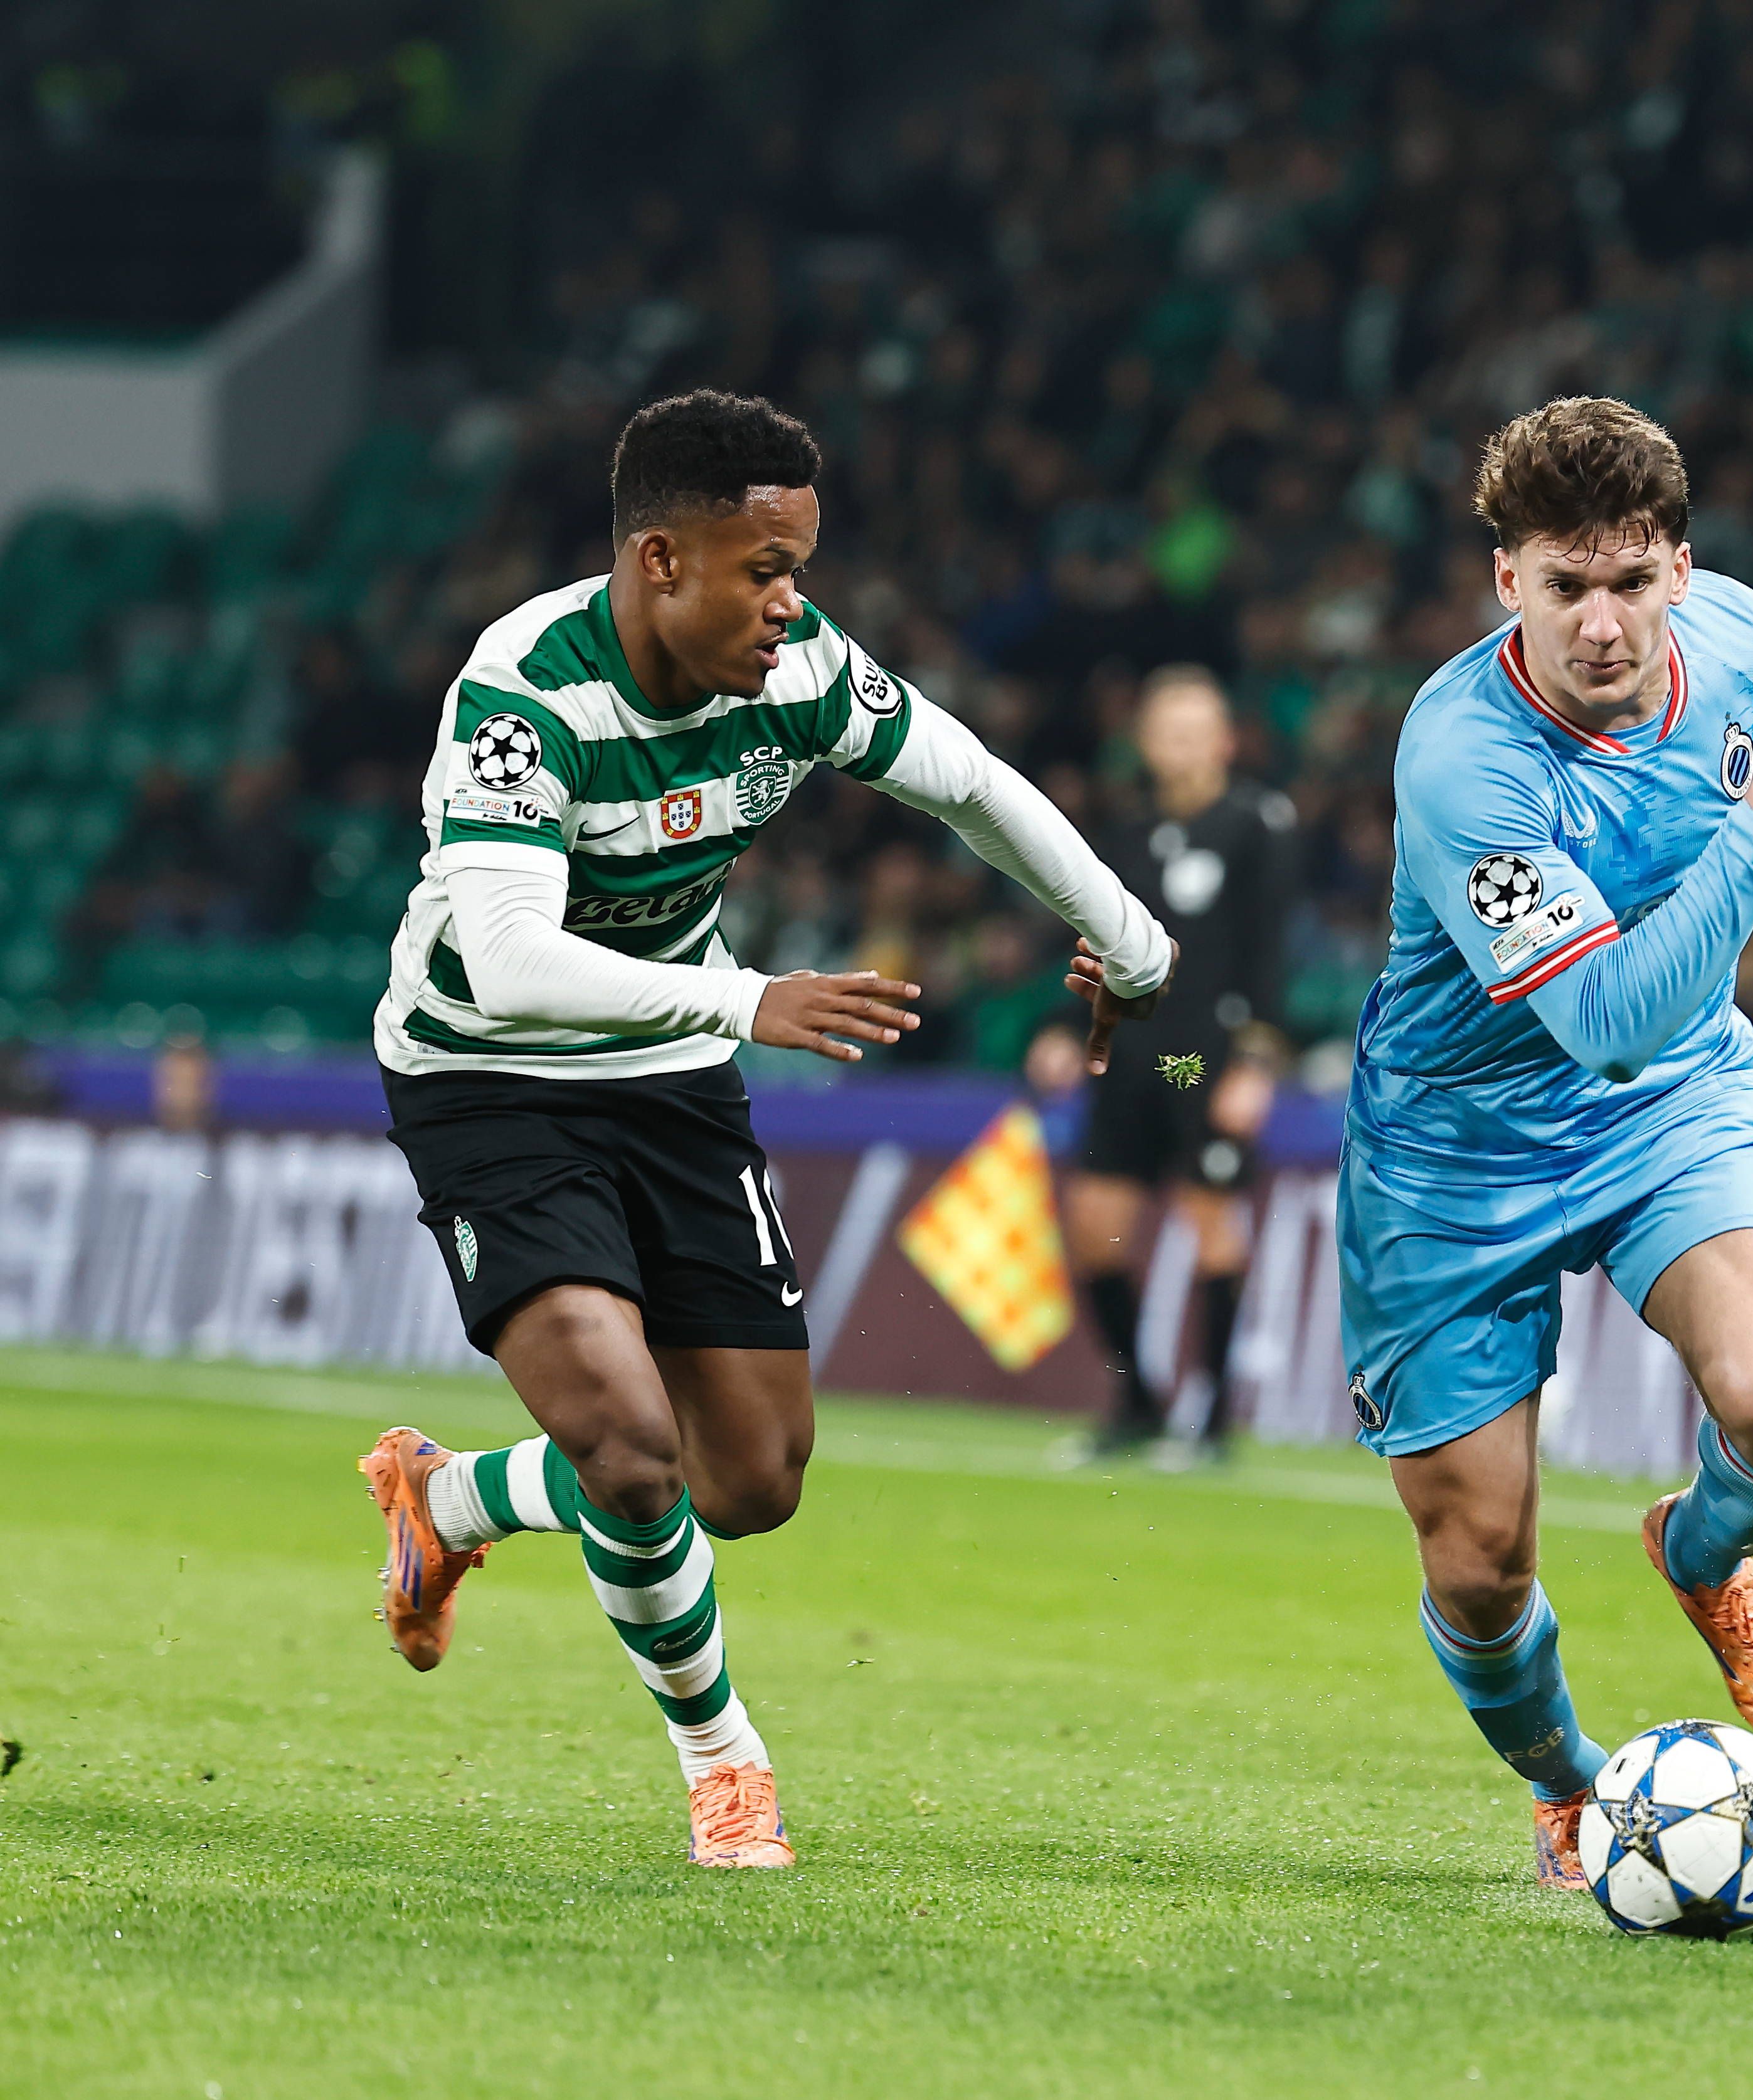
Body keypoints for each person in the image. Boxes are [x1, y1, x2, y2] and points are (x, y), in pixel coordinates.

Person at [353, 390, 1170, 1868]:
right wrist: (749, 999)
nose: (793, 601)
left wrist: (1131, 943)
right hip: (491, 1074)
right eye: (766, 570)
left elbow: (973, 786)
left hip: (671, 1073)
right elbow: (515, 958)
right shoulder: (525, 694)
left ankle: (452, 1495)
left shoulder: (802, 672)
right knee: (627, 1447)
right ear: (661, 560)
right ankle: (723, 1762)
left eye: (801, 567)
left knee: (750, 1481)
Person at [1340, 396, 1753, 1888]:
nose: (1602, 623)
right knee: (1480, 1566)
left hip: (1668, 1111)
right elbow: (1603, 1017)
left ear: (1680, 569)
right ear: (1504, 581)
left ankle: (1703, 1554)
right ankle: (1575, 1787)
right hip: (1455, 1158)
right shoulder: (1464, 761)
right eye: (1564, 586)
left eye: (1632, 582)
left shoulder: (1736, 630)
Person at [1066, 663, 1297, 1459]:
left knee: (1209, 1220)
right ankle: (1138, 1400)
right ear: (1145, 743)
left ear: (1226, 741)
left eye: (1197, 731)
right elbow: (1091, 941)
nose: (1183, 746)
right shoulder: (1126, 832)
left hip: (1199, 1059)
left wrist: (1256, 1063)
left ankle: (1215, 1418)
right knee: (1092, 1228)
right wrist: (1064, 1027)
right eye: (1169, 731)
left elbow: (1271, 950)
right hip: (1132, 1054)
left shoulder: (1258, 823)